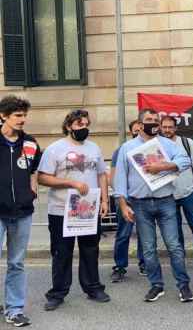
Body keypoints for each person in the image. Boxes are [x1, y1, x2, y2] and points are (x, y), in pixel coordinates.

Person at [113, 109, 193, 303]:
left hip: (166, 201)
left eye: (155, 120)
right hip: (139, 204)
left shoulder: (167, 144)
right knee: (148, 249)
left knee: (174, 246)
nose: (153, 123)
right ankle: (156, 285)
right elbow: (120, 178)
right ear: (139, 125)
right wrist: (123, 205)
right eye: (149, 120)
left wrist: (163, 166)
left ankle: (183, 285)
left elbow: (185, 160)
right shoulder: (127, 148)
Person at [38, 110, 111, 311]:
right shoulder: (55, 149)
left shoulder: (94, 148)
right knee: (62, 252)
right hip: (61, 210)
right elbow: (43, 178)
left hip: (88, 209)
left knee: (90, 249)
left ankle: (93, 287)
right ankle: (58, 292)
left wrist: (105, 200)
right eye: (79, 125)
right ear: (69, 126)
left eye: (86, 125)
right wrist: (71, 183)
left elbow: (102, 175)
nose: (84, 129)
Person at [0, 96, 42, 327]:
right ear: (3, 116)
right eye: (17, 115)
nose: (22, 119)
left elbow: (34, 169)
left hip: (23, 212)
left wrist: (32, 189)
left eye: (24, 115)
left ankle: (14, 309)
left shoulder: (30, 143)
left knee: (16, 263)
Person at [159, 116, 193, 261]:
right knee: (175, 229)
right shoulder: (156, 145)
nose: (167, 130)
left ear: (175, 128)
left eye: (170, 127)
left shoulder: (187, 142)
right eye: (164, 127)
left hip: (188, 191)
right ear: (160, 128)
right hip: (168, 195)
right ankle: (180, 258)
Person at [110, 120, 146, 282]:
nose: (138, 132)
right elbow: (114, 176)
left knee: (144, 234)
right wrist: (121, 197)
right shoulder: (121, 150)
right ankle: (120, 266)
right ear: (131, 132)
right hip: (126, 199)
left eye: (140, 129)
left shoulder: (151, 148)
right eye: (135, 130)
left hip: (143, 198)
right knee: (123, 234)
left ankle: (144, 263)